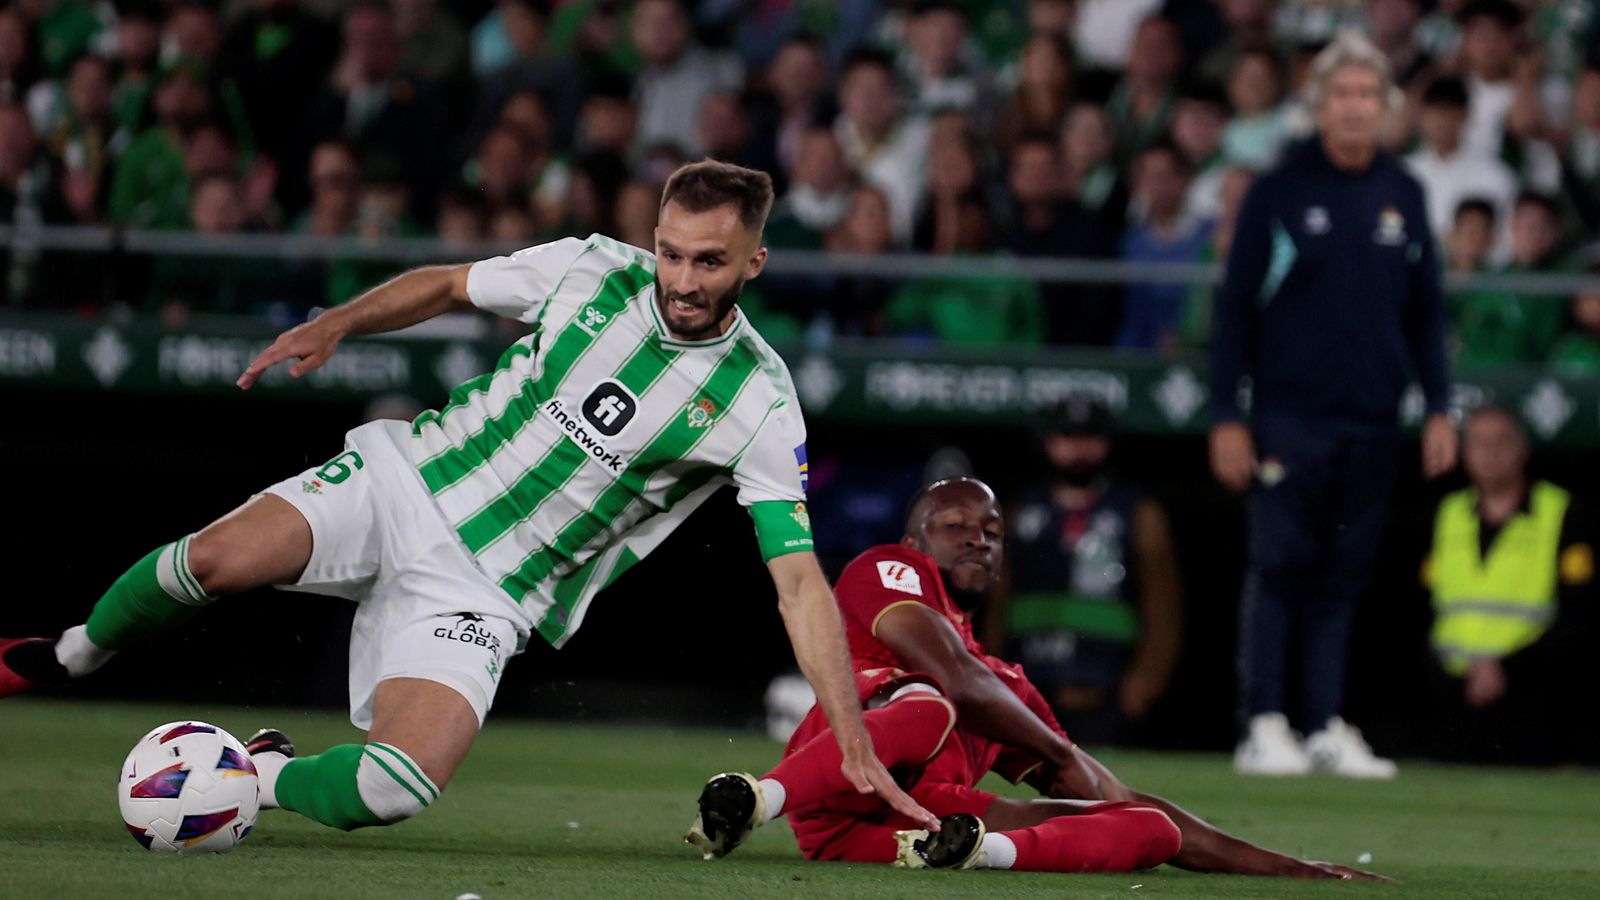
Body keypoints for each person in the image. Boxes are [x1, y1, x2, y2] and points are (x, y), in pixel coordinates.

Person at [0, 160, 934, 839]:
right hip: (409, 480)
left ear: (754, 262)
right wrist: (339, 322)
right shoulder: (588, 268)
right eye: (671, 253)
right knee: (209, 561)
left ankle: (256, 775)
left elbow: (798, 581)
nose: (683, 281)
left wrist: (849, 734)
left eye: (709, 263)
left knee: (395, 788)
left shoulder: (759, 401)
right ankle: (69, 655)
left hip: (490, 590)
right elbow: (450, 284)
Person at [686, 478, 1384, 880]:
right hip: (834, 787)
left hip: (909, 828)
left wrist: (1291, 869)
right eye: (955, 524)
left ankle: (980, 853)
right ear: (916, 540)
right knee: (929, 703)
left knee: (1147, 828)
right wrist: (1054, 748)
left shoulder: (1006, 685)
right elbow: (955, 680)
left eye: (992, 530)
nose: (978, 537)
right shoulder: (888, 570)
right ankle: (757, 799)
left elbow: (1107, 791)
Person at [1209, 31, 1457, 779]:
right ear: (1318, 106)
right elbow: (1233, 310)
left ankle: (1322, 723)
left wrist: (1439, 406)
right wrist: (1225, 415)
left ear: (1385, 106)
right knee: (1280, 565)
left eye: (1366, 94)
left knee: (1344, 574)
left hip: (1374, 417)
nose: (1354, 106)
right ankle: (1264, 723)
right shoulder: (1279, 190)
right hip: (1290, 416)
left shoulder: (1405, 191)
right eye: (1341, 93)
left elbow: (1427, 311)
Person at [988, 397, 1182, 747]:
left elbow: (1164, 607)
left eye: (1090, 437)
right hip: (1030, 688)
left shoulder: (1136, 513)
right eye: (1068, 437)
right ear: (1048, 441)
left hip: (1106, 692)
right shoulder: (1019, 511)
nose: (1078, 449)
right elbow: (996, 602)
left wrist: (1146, 681)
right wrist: (992, 677)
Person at [1424, 406, 1593, 765]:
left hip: (1532, 692)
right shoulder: (1449, 512)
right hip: (1453, 693)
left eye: (1502, 442)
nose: (1490, 453)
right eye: (1479, 443)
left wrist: (1506, 668)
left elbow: (1579, 612)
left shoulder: (1560, 510)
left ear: (1523, 450)